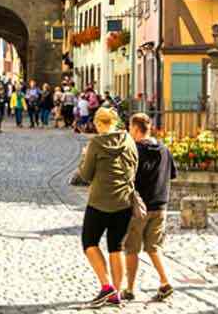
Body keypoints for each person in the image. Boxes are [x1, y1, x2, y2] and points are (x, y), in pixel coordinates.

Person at [74, 107, 138, 307]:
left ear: (100, 123)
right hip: (124, 202)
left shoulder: (96, 143)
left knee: (89, 242)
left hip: (99, 202)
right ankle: (116, 293)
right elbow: (134, 164)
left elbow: (85, 176)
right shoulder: (128, 139)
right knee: (115, 247)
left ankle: (106, 286)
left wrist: (85, 157)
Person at [121, 113, 176, 302]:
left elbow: (127, 179)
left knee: (132, 249)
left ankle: (129, 289)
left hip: (139, 207)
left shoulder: (135, 150)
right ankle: (165, 281)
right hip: (161, 205)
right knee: (154, 247)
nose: (129, 131)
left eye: (130, 128)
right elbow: (172, 175)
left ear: (136, 129)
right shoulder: (164, 149)